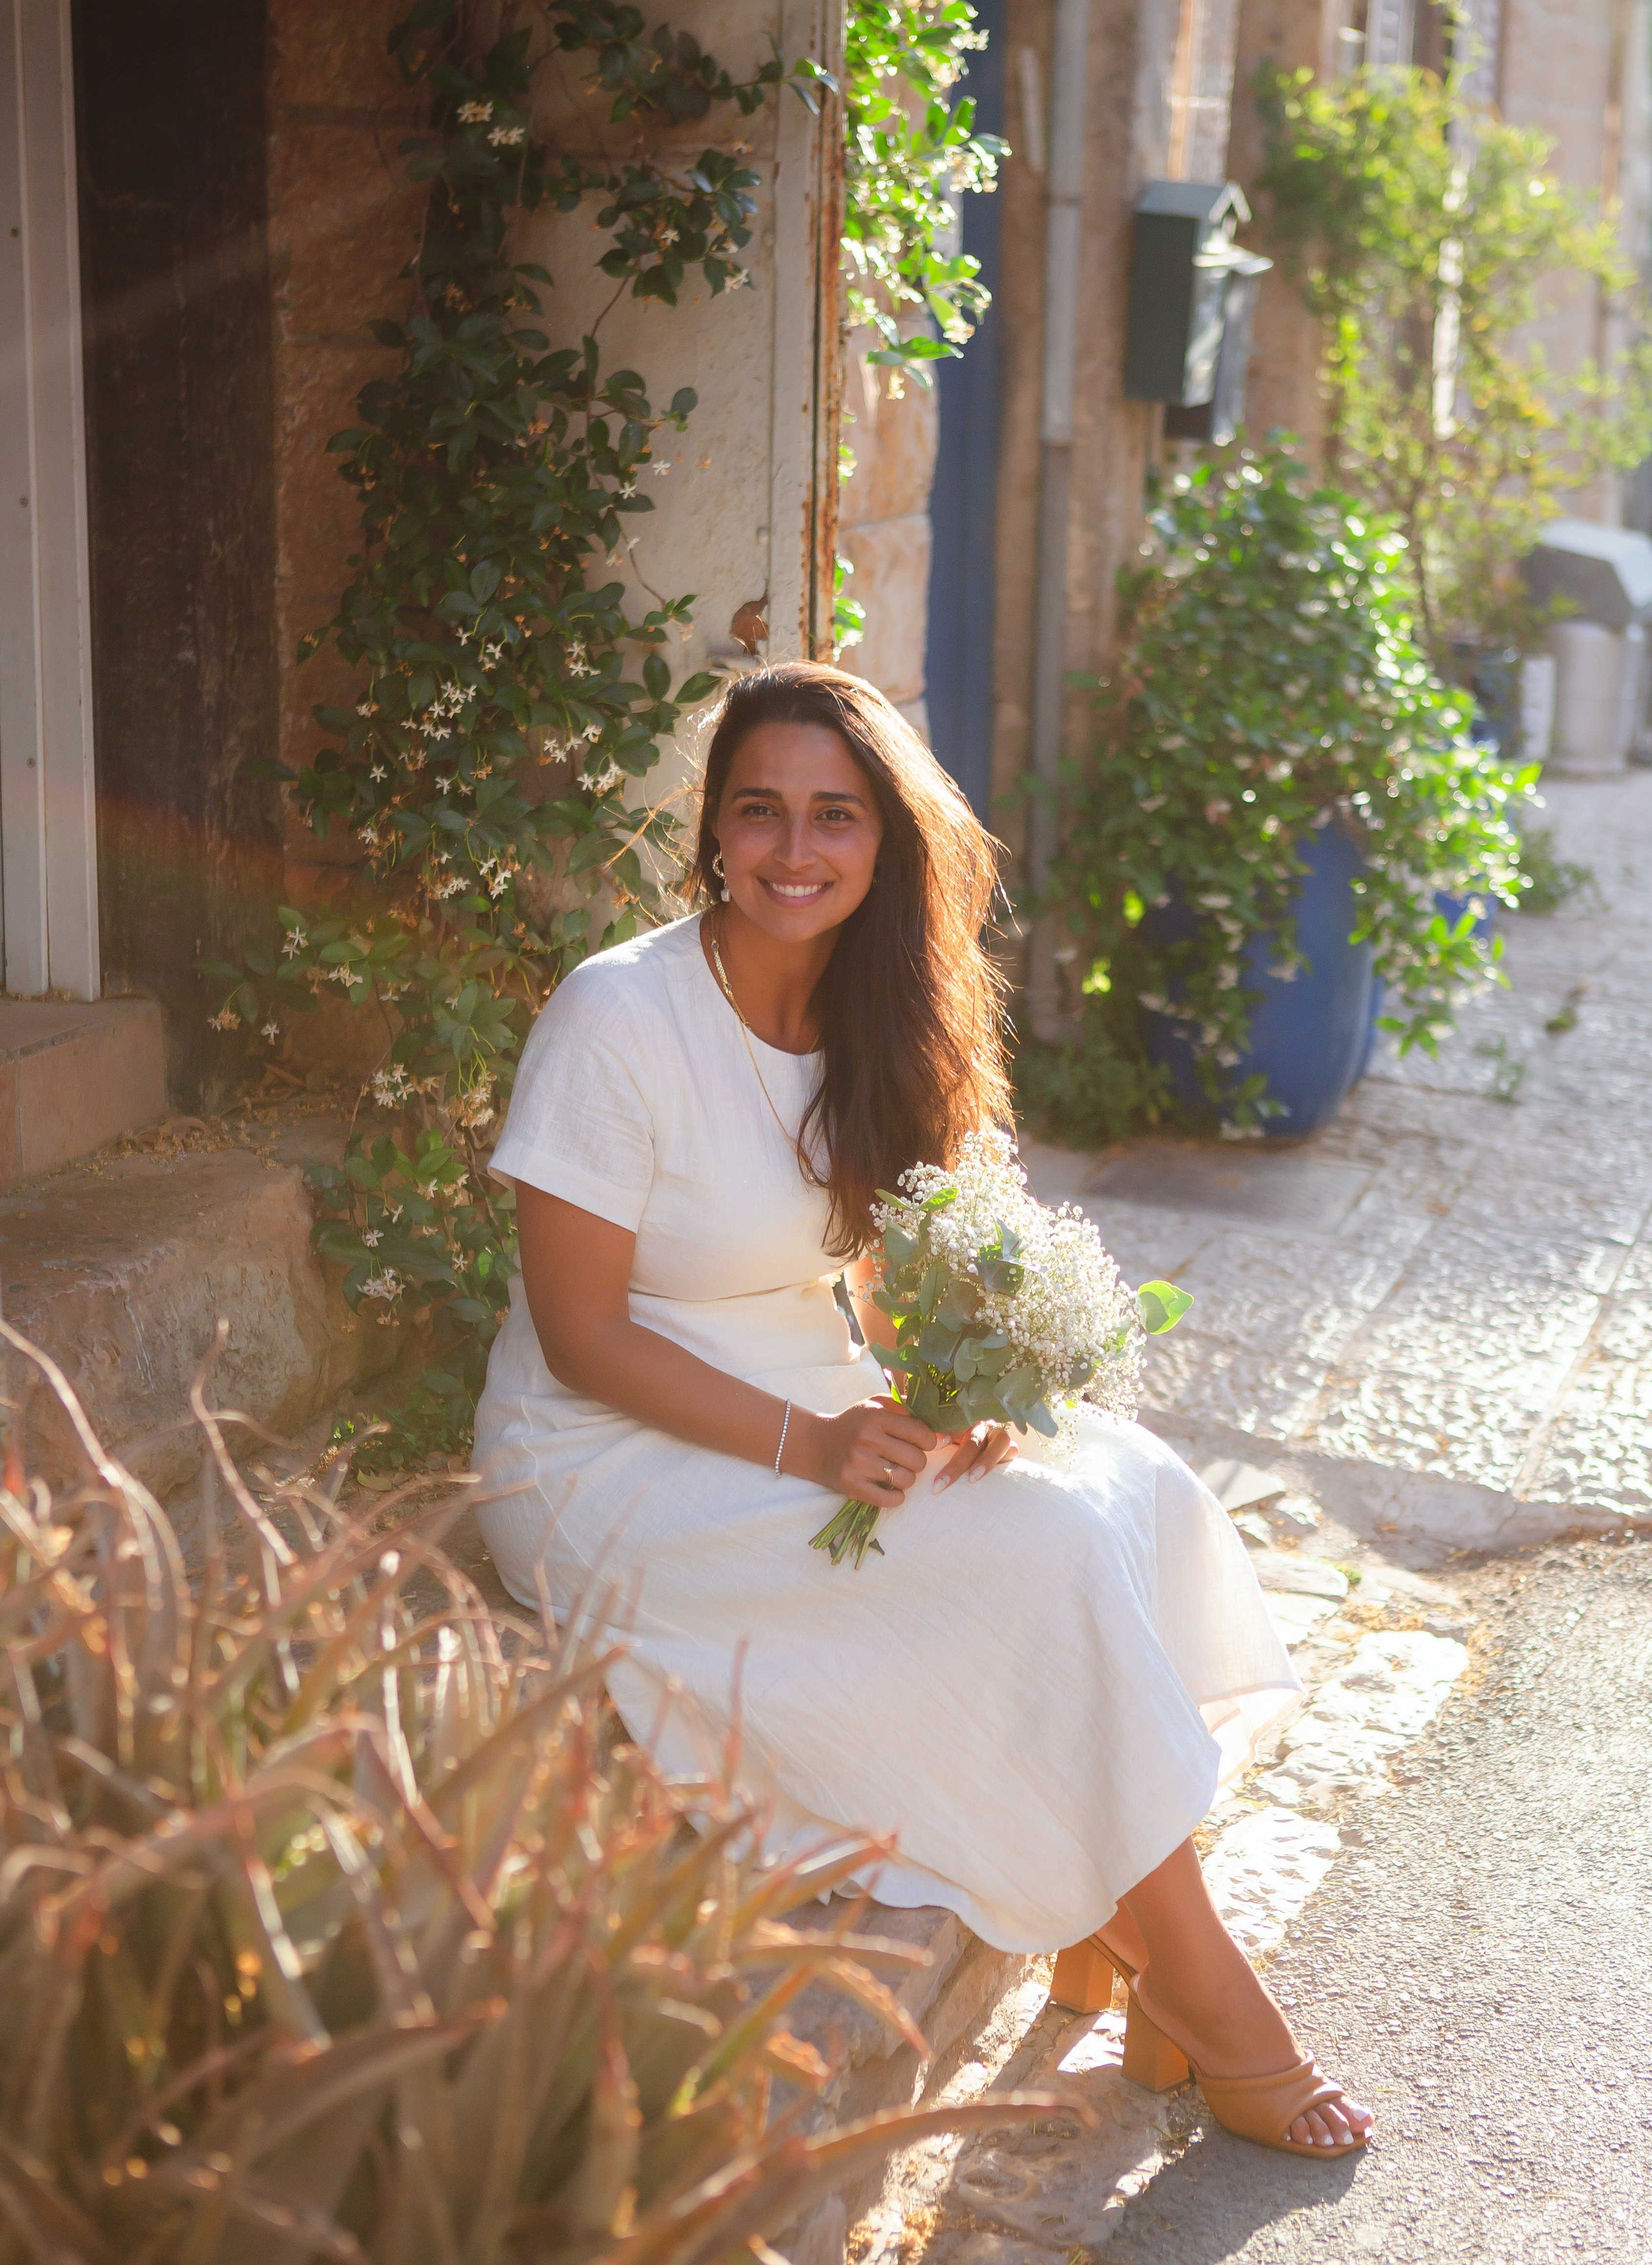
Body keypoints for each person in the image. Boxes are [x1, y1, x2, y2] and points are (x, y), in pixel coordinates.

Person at [473, 663, 1373, 2157]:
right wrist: (817, 1443)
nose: (794, 849)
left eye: (834, 815)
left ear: (885, 840)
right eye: (758, 810)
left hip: (800, 1399)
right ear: (710, 829)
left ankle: (1121, 1938)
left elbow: (899, 1267)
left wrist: (951, 1396)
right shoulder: (618, 1015)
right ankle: (1201, 1993)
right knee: (1034, 1559)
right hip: (605, 1456)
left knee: (1123, 1482)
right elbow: (580, 1337)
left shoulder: (880, 1008)